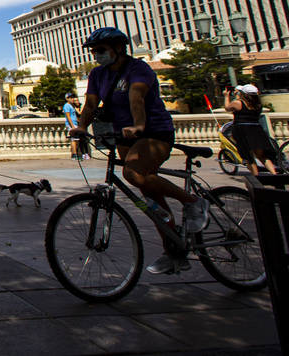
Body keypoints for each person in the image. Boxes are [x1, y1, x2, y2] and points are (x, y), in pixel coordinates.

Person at [72, 27, 209, 275]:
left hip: (153, 131)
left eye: (101, 50)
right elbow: (91, 103)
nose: (96, 55)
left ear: (118, 49)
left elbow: (136, 96)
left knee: (134, 174)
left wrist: (139, 125)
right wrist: (81, 127)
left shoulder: (138, 69)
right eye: (94, 51)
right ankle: (174, 251)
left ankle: (193, 202)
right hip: (125, 134)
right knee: (150, 196)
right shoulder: (97, 75)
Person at [224, 84, 277, 176]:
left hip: (243, 130)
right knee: (262, 156)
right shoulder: (258, 105)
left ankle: (256, 178)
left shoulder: (239, 103)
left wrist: (226, 96)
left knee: (248, 156)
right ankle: (274, 174)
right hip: (256, 130)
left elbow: (227, 108)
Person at [63, 92, 88, 160]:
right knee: (74, 139)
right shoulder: (66, 106)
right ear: (67, 99)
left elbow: (74, 116)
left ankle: (76, 153)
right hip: (71, 124)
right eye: (70, 98)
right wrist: (72, 126)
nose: (72, 99)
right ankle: (74, 154)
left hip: (75, 124)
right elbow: (68, 116)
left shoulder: (71, 106)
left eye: (72, 97)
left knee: (76, 139)